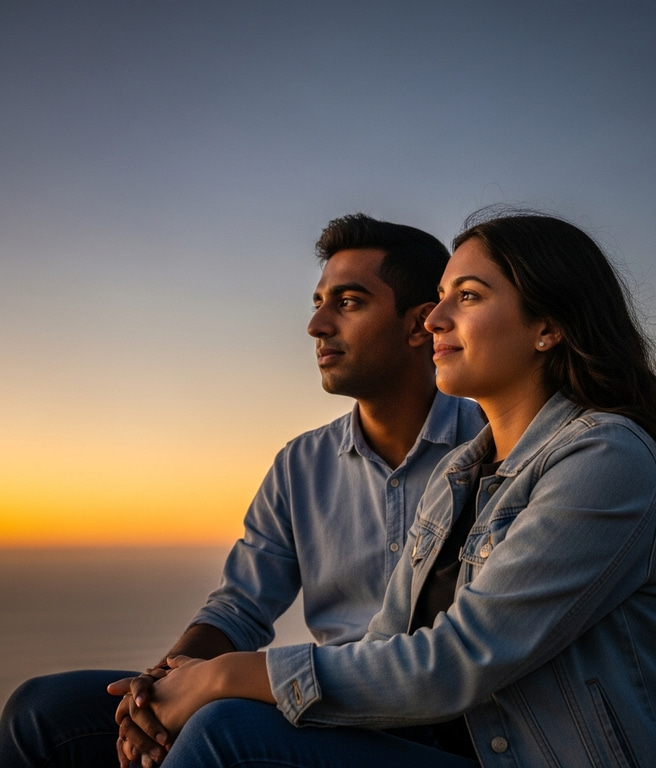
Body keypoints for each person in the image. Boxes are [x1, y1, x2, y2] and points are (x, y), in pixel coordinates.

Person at [117, 210, 656, 767]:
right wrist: (173, 688)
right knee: (50, 715)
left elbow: (459, 659)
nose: (437, 317)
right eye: (441, 295)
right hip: (414, 723)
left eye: (467, 296)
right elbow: (378, 641)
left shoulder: (604, 456)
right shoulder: (464, 473)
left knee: (227, 732)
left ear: (547, 327)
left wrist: (223, 679)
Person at [0, 214, 485, 768]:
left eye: (348, 302)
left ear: (420, 324)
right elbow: (240, 607)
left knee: (222, 725)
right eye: (318, 301)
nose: (316, 325)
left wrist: (215, 687)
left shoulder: (493, 449)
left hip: (442, 729)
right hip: (324, 713)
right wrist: (158, 688)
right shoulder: (301, 464)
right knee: (40, 710)